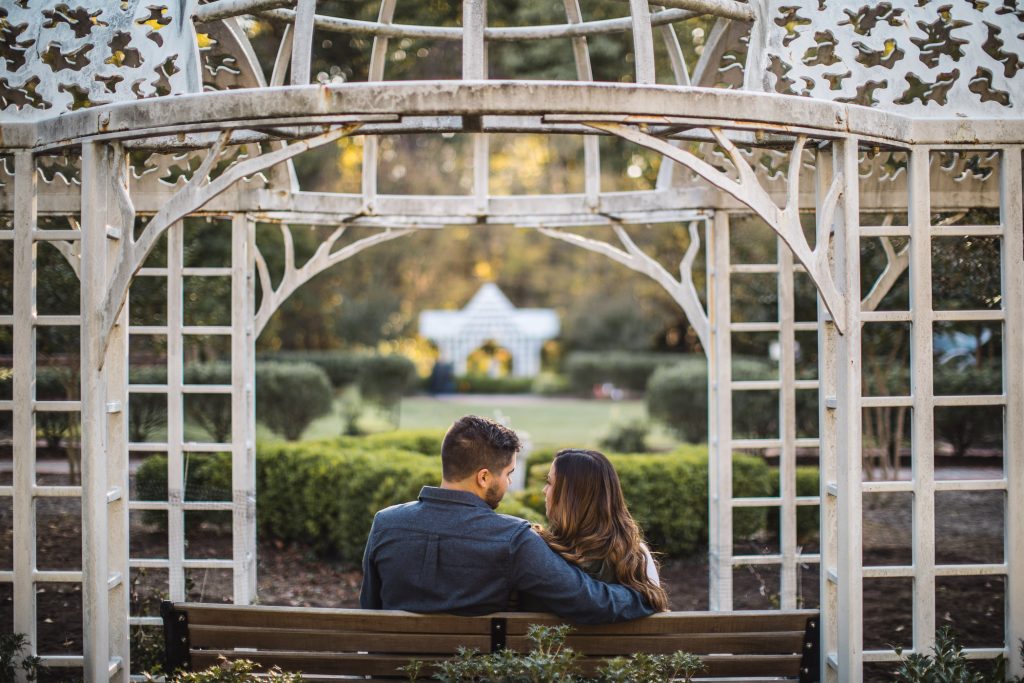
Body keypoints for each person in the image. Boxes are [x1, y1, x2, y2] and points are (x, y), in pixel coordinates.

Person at [360, 415, 654, 624]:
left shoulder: (385, 524)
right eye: (509, 474)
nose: (510, 483)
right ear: (484, 477)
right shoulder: (514, 539)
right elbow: (588, 601)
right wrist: (641, 598)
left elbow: (369, 611)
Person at [535, 449, 669, 612]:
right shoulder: (636, 556)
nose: (544, 490)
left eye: (549, 482)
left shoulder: (544, 553)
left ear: (570, 497)